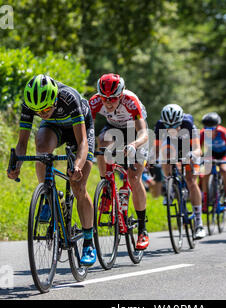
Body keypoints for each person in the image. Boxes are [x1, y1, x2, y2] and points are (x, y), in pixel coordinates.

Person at [7, 74, 96, 266]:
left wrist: (78, 166)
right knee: (41, 146)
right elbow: (22, 143)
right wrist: (17, 165)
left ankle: (88, 242)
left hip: (79, 127)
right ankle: (49, 195)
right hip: (55, 127)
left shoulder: (69, 98)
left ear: (55, 99)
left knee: (79, 185)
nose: (42, 113)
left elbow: (82, 142)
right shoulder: (30, 105)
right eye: (38, 111)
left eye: (46, 108)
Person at [88, 73, 149, 250]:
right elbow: (87, 129)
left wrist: (134, 145)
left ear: (121, 95)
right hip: (113, 127)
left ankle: (143, 229)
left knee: (134, 178)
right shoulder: (95, 101)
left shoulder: (130, 101)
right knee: (101, 142)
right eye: (104, 98)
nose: (108, 102)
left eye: (113, 99)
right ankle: (106, 187)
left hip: (134, 131)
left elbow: (144, 134)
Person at [153, 104, 206, 240]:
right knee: (165, 156)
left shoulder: (188, 124)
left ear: (180, 121)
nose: (171, 129)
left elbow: (197, 149)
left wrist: (192, 156)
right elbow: (157, 148)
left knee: (191, 181)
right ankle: (170, 184)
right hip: (172, 146)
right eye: (168, 126)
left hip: (188, 147)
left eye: (175, 125)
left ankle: (199, 223)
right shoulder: (159, 125)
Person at [199, 112, 226, 213]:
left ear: (217, 127)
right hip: (210, 153)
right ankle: (205, 201)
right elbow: (198, 149)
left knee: (224, 170)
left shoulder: (223, 132)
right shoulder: (202, 133)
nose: (209, 132)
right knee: (205, 173)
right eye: (207, 129)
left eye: (212, 129)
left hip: (223, 154)